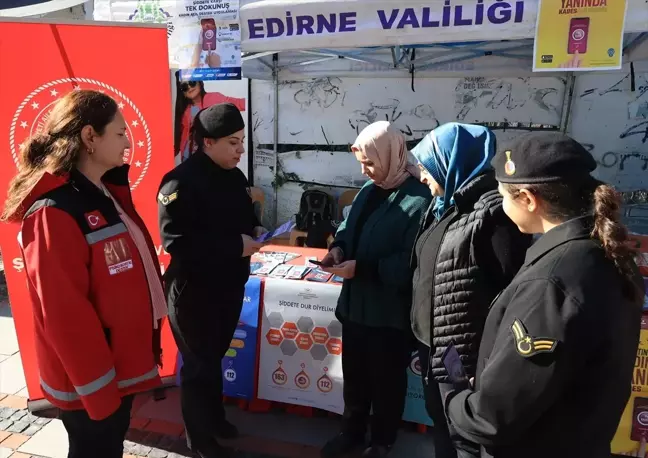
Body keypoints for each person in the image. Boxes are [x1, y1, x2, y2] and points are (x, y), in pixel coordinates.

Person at [444, 132, 645, 457]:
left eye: (503, 196)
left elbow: (494, 418)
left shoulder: (552, 281)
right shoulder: (608, 253)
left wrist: (455, 401)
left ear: (527, 198)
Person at [1, 90, 165, 458]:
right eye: (121, 133)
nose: (129, 143)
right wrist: (98, 390)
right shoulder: (54, 211)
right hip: (92, 383)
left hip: (116, 370)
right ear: (90, 137)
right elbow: (64, 316)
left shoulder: (104, 192)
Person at [409, 123, 532, 458]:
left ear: (450, 162)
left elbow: (511, 296)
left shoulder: (494, 216)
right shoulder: (444, 205)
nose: (421, 177)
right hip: (436, 348)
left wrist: (489, 365)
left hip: (466, 357)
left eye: (426, 167)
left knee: (466, 440)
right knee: (443, 425)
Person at [318, 121, 432, 458]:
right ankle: (351, 432)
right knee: (354, 378)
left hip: (389, 314)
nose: (365, 170)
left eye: (370, 162)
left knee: (386, 382)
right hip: (356, 308)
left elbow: (413, 259)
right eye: (361, 163)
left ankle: (382, 441)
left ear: (391, 154)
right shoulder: (369, 190)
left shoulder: (420, 198)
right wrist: (338, 249)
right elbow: (348, 227)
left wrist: (363, 268)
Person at [158, 103, 265, 458]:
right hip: (193, 291)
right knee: (198, 365)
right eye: (233, 143)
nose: (241, 150)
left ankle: (215, 420)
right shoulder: (179, 182)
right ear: (207, 142)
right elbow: (176, 242)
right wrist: (237, 245)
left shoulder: (234, 176)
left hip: (228, 285)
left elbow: (243, 217)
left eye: (241, 141)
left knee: (215, 356)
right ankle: (199, 440)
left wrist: (256, 230)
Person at [174, 75, 246, 164]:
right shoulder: (184, 109)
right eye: (184, 87)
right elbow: (179, 135)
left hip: (207, 155)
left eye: (192, 83)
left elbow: (240, 103)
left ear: (199, 82)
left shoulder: (213, 98)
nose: (189, 88)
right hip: (186, 157)